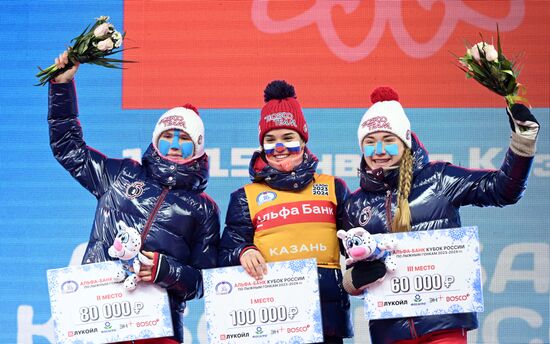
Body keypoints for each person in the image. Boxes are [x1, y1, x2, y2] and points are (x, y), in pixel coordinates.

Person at [341, 86, 539, 344]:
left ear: (405, 142)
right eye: (370, 142)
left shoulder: (439, 179)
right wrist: (353, 281)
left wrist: (522, 143)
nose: (379, 150)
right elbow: (348, 272)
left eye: (389, 141)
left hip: (443, 328)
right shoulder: (354, 206)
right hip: (389, 333)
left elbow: (503, 190)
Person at [48, 52, 220, 344]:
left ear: (199, 147)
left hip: (156, 328)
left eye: (185, 138)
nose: (175, 144)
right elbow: (69, 148)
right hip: (97, 315)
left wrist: (165, 270)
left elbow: (206, 283)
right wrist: (61, 85)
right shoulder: (122, 175)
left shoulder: (203, 209)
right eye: (168, 135)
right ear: (155, 139)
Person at [218, 80, 353, 343]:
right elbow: (225, 253)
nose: (279, 147)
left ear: (303, 141)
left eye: (288, 137)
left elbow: (356, 245)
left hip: (326, 322)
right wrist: (243, 252)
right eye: (270, 139)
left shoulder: (333, 187)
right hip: (270, 321)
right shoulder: (245, 196)